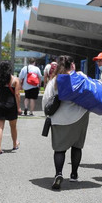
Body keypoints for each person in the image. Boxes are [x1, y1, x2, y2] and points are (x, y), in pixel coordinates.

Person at [42, 55, 89, 190]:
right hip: (80, 117)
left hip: (59, 119)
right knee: (77, 147)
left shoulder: (54, 81)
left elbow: (46, 101)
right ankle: (74, 174)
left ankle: (58, 174)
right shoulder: (80, 78)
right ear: (72, 65)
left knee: (59, 149)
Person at [0, 61, 22, 155]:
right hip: (11, 105)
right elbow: (17, 94)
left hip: (0, 103)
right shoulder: (15, 80)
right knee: (13, 126)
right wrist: (19, 107)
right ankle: (14, 144)